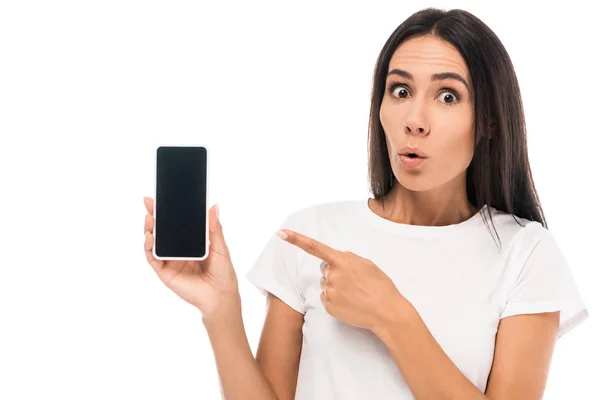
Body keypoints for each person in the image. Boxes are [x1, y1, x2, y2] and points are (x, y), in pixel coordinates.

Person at [142, 7, 589, 400]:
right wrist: (220, 310)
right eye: (400, 91)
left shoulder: (525, 253)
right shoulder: (311, 234)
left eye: (447, 96)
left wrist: (391, 316)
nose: (414, 120)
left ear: (490, 122)